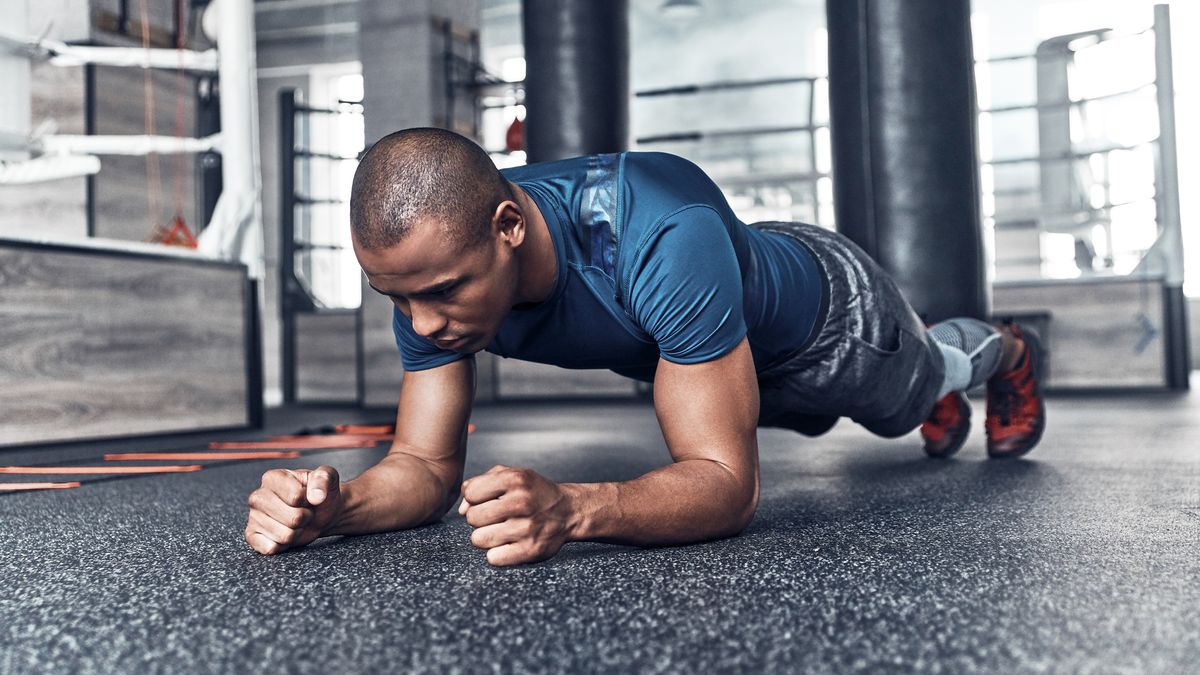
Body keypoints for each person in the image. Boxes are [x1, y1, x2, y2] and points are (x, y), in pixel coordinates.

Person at [244, 128, 1046, 566]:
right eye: (397, 298)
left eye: (443, 291)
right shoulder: (434, 273)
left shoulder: (654, 232)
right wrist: (336, 509)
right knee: (796, 413)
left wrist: (574, 507)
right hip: (717, 341)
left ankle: (1003, 348)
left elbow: (726, 486)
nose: (420, 325)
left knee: (917, 390)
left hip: (834, 325)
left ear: (509, 229)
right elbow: (422, 466)